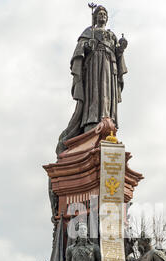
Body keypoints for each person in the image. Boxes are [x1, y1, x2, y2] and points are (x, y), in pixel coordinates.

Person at [56, 5, 128, 155]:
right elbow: (79, 50)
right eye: (99, 14)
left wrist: (120, 49)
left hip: (109, 67)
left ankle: (108, 120)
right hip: (94, 67)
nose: (102, 16)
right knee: (95, 93)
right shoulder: (90, 32)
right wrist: (88, 45)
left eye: (104, 14)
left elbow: (118, 55)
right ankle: (92, 121)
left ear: (107, 18)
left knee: (107, 95)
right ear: (95, 17)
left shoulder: (112, 35)